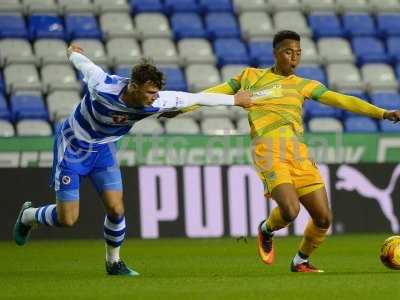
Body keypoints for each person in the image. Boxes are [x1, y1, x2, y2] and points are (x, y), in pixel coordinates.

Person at [162, 30, 400, 272]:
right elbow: (213, 94)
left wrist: (382, 113)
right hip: (268, 150)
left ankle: (300, 261)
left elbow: (342, 100)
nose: (294, 58)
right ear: (275, 53)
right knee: (290, 210)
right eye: (288, 52)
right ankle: (266, 229)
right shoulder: (250, 77)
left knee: (323, 219)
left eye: (298, 53)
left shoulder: (304, 85)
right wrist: (182, 109)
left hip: (298, 153)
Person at [13, 44, 252, 276]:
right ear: (134, 86)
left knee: (116, 209)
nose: (154, 98)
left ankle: (114, 262)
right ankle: (28, 216)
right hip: (73, 147)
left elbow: (197, 98)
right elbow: (84, 65)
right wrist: (73, 53)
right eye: (149, 92)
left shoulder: (158, 100)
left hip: (104, 150)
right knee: (68, 219)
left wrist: (235, 101)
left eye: (156, 92)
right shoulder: (102, 85)